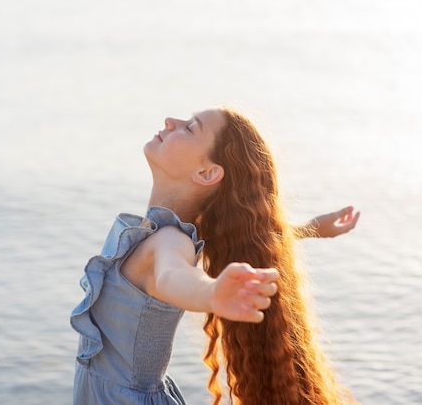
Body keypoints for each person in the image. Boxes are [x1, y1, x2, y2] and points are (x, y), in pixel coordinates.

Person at [70, 107, 360, 404]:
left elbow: (174, 276)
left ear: (206, 173)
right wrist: (311, 229)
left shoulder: (169, 241)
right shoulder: (160, 233)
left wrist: (210, 293)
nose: (172, 121)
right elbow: (248, 233)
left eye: (191, 128)